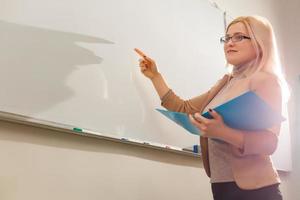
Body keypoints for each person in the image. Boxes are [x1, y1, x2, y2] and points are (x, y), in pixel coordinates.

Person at [135, 15, 287, 200]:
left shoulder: (265, 81)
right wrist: (155, 77)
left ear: (259, 41)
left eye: (239, 37)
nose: (229, 43)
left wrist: (222, 131)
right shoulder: (225, 83)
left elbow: (270, 143)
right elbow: (184, 108)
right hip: (221, 187)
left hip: (256, 190)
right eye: (227, 38)